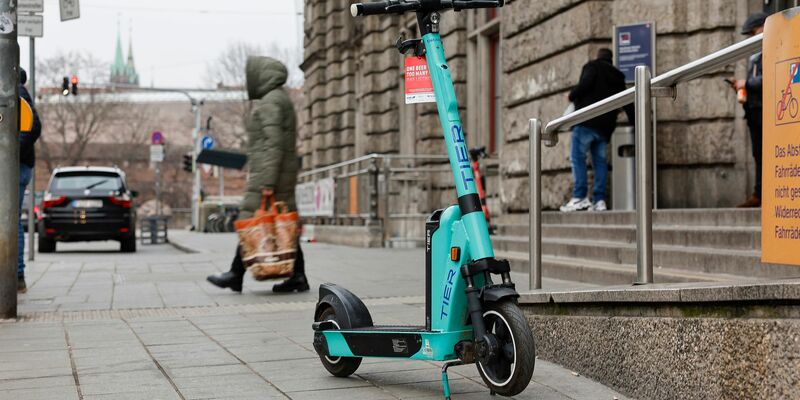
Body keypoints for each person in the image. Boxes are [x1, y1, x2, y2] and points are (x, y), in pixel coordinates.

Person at [207, 57, 308, 293]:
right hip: (277, 173)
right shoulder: (277, 99)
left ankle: (235, 273)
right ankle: (297, 276)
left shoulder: (271, 102)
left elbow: (273, 144)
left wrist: (267, 181)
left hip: (271, 175)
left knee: (252, 221)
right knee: (281, 223)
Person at [561, 48, 634, 212]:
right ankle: (599, 200)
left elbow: (585, 85)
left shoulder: (592, 67)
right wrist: (636, 122)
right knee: (600, 162)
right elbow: (627, 101)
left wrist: (572, 95)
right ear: (611, 59)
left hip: (586, 121)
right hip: (605, 127)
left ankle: (580, 197)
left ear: (598, 57)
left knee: (577, 158)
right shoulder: (618, 76)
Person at [732, 12, 767, 208]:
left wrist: (747, 83)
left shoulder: (772, 51)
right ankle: (759, 193)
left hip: (766, 111)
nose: (752, 38)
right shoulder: (755, 57)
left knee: (768, 153)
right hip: (754, 110)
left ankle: (765, 193)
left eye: (754, 33)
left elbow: (770, 78)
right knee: (758, 154)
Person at [18, 68, 42, 293]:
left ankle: (16, 274)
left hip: (16, 165)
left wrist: (12, 149)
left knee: (9, 219)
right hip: (18, 164)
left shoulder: (16, 92)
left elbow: (33, 126)